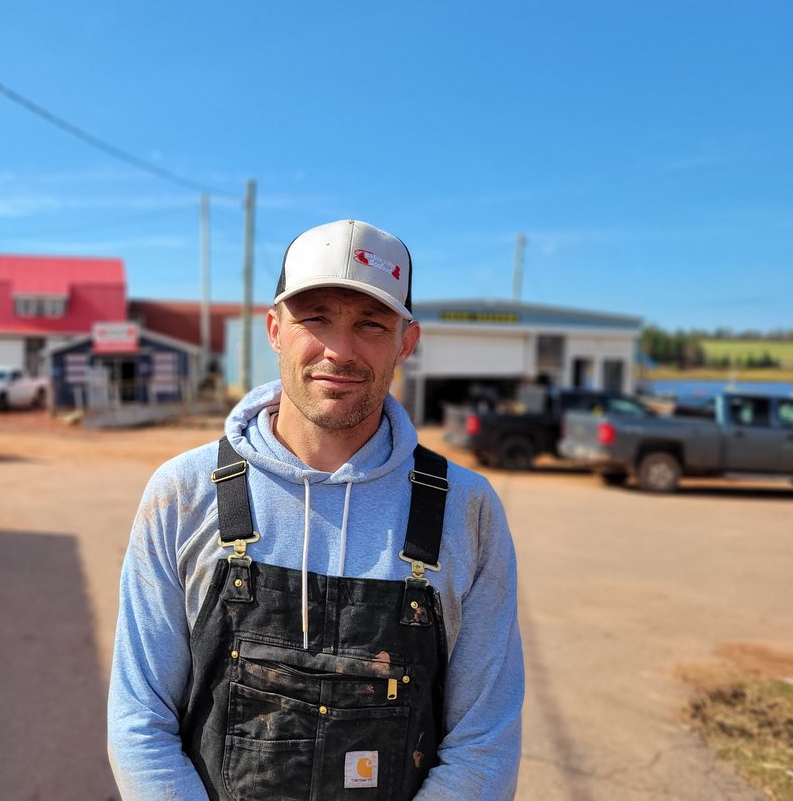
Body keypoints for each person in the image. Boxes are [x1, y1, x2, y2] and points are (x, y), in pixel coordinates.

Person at [108, 219, 523, 800]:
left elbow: (484, 744)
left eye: (371, 324)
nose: (340, 350)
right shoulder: (185, 491)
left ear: (407, 341)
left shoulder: (466, 509)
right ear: (275, 330)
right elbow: (139, 722)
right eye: (316, 319)